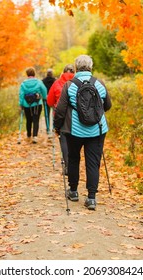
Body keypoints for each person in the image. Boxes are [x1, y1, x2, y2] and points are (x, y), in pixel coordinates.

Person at [53, 55, 112, 210]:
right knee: (93, 162)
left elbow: (60, 110)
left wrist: (57, 127)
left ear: (76, 67)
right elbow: (108, 105)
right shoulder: (99, 84)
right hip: (97, 130)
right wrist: (95, 114)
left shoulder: (69, 85)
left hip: (74, 130)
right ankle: (91, 198)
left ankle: (73, 191)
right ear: (91, 67)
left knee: (73, 159)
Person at [47, 64, 75, 175]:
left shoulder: (57, 83)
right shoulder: (78, 82)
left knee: (63, 139)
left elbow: (49, 101)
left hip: (60, 116)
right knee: (75, 141)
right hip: (76, 116)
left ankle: (67, 165)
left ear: (63, 72)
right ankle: (74, 164)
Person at [19, 67, 48, 144]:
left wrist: (21, 104)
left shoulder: (23, 83)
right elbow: (44, 90)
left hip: (26, 104)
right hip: (37, 104)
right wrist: (45, 98)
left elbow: (21, 94)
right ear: (34, 73)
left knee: (28, 120)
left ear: (27, 74)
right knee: (36, 120)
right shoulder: (39, 82)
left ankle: (28, 135)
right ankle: (35, 136)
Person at [42, 69, 56, 135]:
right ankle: (53, 127)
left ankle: (48, 128)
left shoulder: (43, 81)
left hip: (45, 99)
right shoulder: (55, 80)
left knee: (46, 114)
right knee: (54, 113)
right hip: (53, 98)